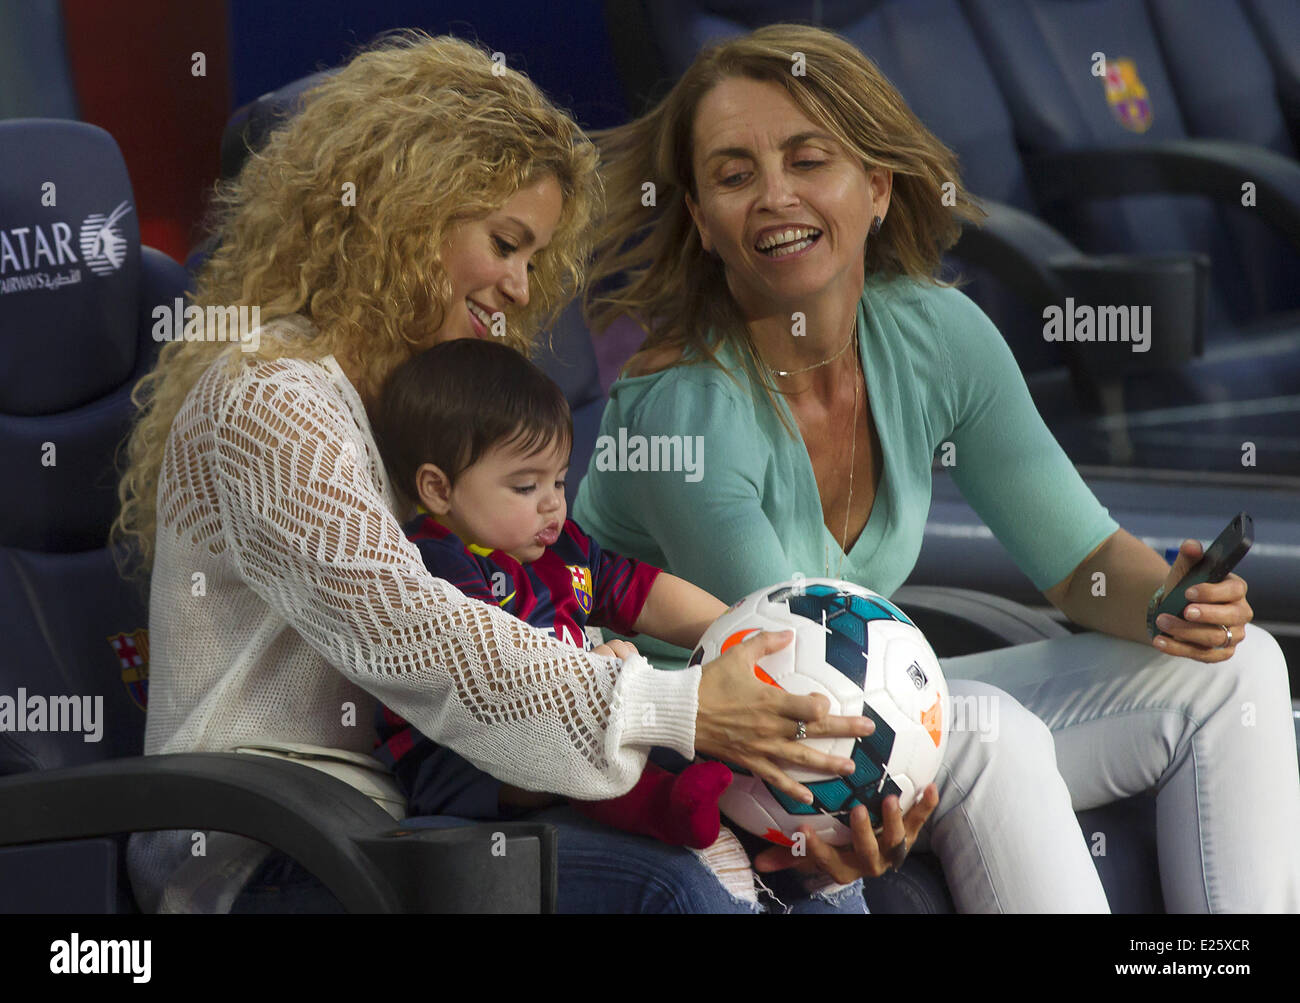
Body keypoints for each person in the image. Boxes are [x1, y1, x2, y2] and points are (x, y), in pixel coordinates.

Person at [112, 30, 882, 914]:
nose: (522, 287)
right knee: (668, 888)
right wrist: (678, 706)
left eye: (533, 256)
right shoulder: (268, 393)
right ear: (408, 213)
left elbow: (535, 611)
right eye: (505, 242)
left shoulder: (431, 407)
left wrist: (784, 795)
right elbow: (412, 628)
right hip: (268, 845)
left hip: (436, 806)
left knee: (804, 881)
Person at [573, 23, 1300, 912]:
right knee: (990, 733)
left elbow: (1079, 562)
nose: (772, 196)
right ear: (701, 221)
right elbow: (802, 680)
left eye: (809, 160)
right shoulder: (683, 407)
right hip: (708, 744)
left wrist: (1170, 605)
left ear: (877, 186)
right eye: (733, 176)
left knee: (1240, 667)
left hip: (848, 704)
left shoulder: (937, 335)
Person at [369, 338, 734, 849]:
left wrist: (735, 625)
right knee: (577, 750)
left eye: (560, 482)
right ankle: (662, 807)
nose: (552, 507)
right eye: (525, 488)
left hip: (569, 726)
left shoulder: (561, 549)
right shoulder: (437, 563)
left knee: (690, 743)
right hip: (463, 761)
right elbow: (494, 675)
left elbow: (644, 593)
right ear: (438, 489)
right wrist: (593, 671)